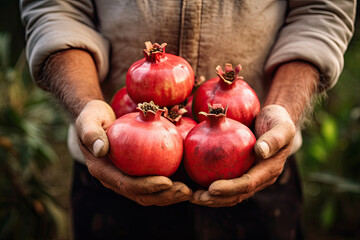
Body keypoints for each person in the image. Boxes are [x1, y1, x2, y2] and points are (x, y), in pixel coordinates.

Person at [20, 0, 356, 239]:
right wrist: (86, 105)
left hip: (257, 167)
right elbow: (55, 8)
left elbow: (321, 10)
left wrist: (284, 106)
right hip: (110, 165)